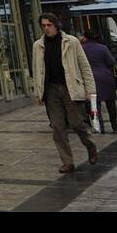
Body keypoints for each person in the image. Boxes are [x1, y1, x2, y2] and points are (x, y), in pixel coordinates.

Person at [31, 12, 98, 173]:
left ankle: (90, 145)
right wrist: (38, 92)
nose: (46, 28)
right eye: (43, 25)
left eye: (49, 25)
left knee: (77, 123)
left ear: (56, 25)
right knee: (57, 127)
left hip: (70, 87)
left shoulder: (71, 42)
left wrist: (90, 90)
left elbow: (84, 67)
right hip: (51, 90)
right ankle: (67, 162)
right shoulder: (38, 45)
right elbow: (37, 69)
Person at [79, 32, 117, 132]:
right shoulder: (102, 48)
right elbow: (111, 62)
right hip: (105, 77)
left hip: (90, 78)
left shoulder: (81, 49)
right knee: (111, 102)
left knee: (95, 105)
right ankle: (114, 124)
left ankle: (99, 126)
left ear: (85, 37)